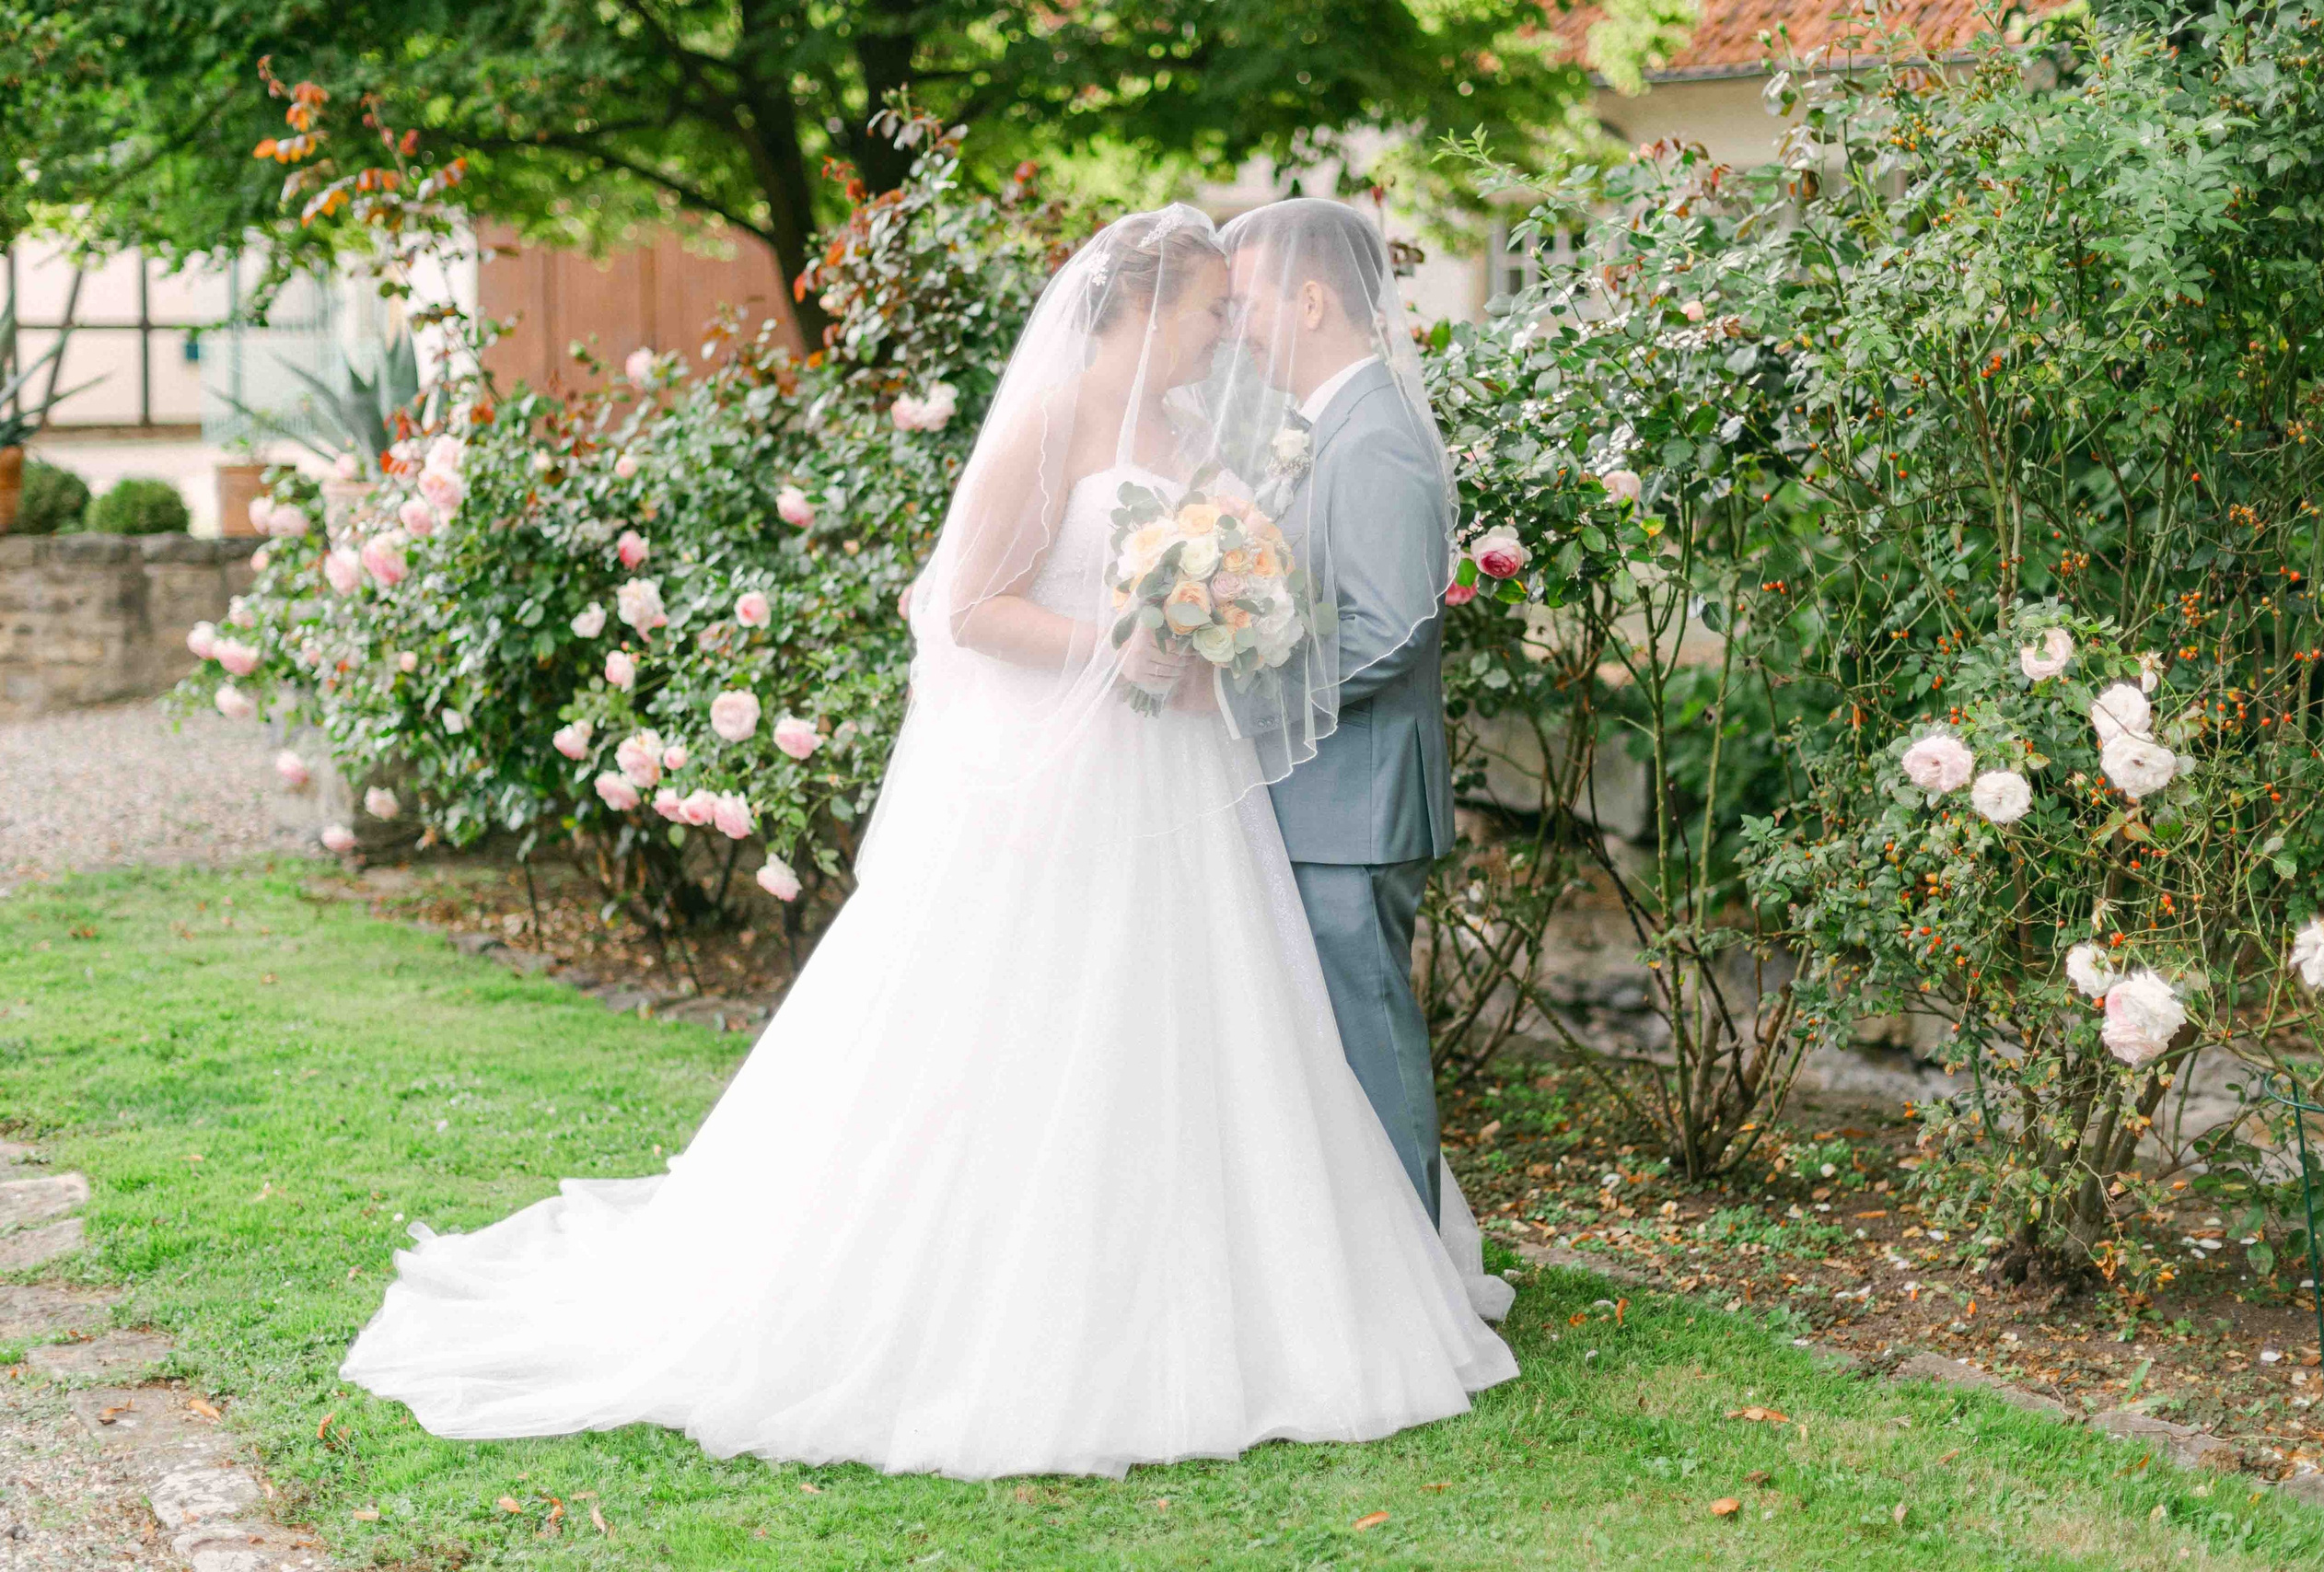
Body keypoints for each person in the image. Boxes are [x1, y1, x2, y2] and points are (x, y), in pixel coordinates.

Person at [340, 205, 1513, 1484]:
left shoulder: (1191, 434)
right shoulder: (1047, 423)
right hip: (1075, 767)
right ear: (1139, 308)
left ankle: (1213, 1276)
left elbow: (1246, 575)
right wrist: (1118, 649)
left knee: (1197, 1022)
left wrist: (1214, 625)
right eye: (1207, 309)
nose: (1224, 329)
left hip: (1187, 771)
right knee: (1036, 1016)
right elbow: (969, 608)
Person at [1221, 199, 1458, 1225]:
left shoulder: (1376, 436)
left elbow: (1394, 623)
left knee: (1368, 1036)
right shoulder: (1323, 427)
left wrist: (1241, 699)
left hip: (1354, 801)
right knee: (1326, 1044)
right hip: (1317, 795)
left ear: (1309, 298)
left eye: (1249, 304)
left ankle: (1417, 1267)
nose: (1240, 328)